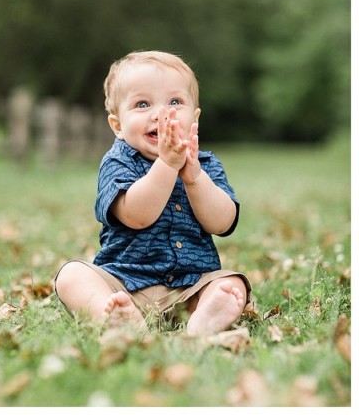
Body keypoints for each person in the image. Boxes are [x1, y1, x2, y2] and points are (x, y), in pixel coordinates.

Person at [54, 51, 251, 336]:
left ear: (194, 117)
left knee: (232, 284)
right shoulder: (118, 162)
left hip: (191, 286)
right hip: (124, 283)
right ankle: (114, 314)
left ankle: (203, 320)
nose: (161, 114)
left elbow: (222, 223)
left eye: (175, 102)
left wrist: (194, 178)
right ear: (118, 126)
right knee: (71, 276)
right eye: (142, 104)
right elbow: (136, 216)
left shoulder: (205, 165)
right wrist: (168, 165)